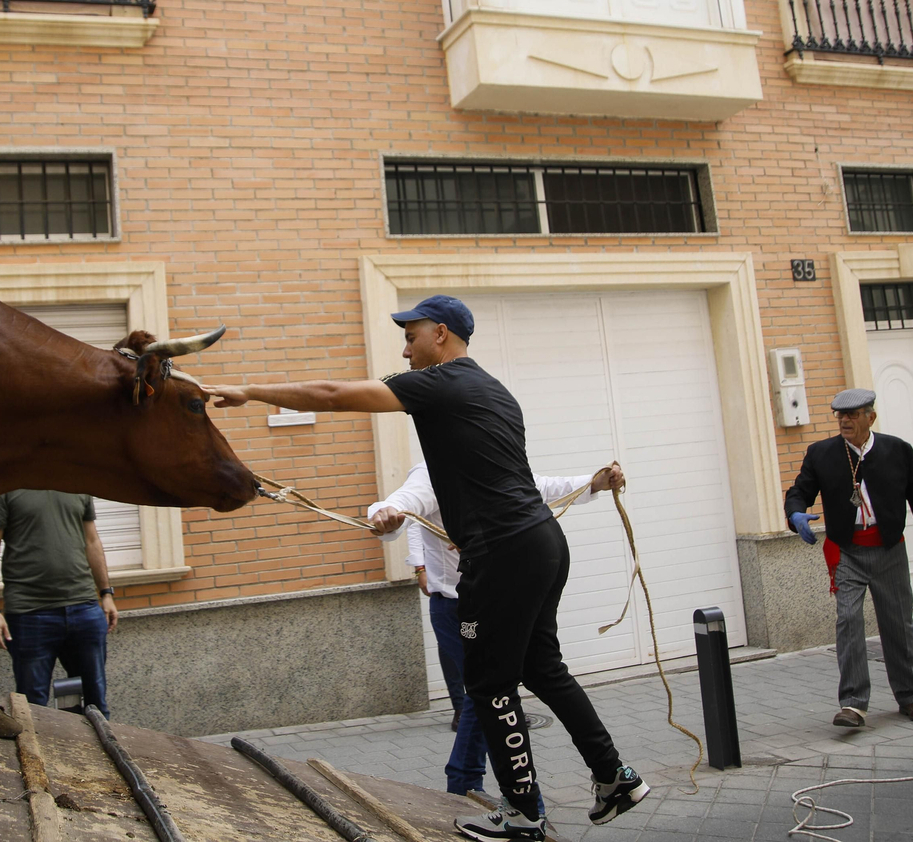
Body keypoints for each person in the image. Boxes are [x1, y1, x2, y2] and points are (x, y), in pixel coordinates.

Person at [205, 295, 649, 841]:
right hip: (541, 542)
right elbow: (494, 481)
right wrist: (400, 512)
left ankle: (523, 812)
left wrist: (249, 392)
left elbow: (333, 394)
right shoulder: (494, 389)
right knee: (541, 668)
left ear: (440, 334)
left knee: (487, 685)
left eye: (411, 336)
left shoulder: (440, 383)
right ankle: (614, 777)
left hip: (503, 553)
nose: (405, 347)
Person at [373, 460, 619, 800]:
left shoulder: (490, 457)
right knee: (491, 692)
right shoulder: (433, 470)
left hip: (499, 595)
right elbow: (406, 506)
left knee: (497, 689)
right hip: (455, 603)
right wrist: (401, 539)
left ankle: (487, 791)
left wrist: (593, 482)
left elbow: (540, 487)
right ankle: (482, 789)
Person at [784, 388, 913, 728]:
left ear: (870, 417)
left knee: (898, 623)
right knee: (848, 620)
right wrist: (796, 514)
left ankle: (910, 697)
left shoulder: (897, 450)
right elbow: (799, 491)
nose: (845, 421)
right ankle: (853, 704)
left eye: (853, 415)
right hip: (847, 550)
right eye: (840, 416)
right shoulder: (822, 453)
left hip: (889, 549)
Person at [0, 491, 120, 716]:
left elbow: (91, 540)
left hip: (84, 608)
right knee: (33, 707)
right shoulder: (5, 487)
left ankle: (93, 752)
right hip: (29, 614)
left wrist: (106, 594)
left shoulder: (76, 483)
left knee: (96, 704)